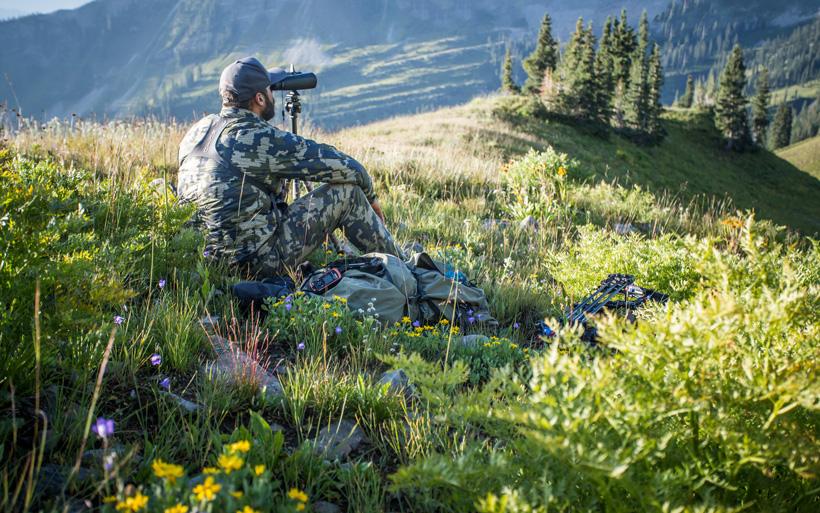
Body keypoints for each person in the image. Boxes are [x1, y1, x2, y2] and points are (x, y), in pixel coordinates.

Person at [177, 57, 403, 277]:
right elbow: (348, 166)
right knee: (348, 194)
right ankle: (405, 272)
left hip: (201, 261)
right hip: (254, 263)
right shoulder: (259, 138)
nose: (273, 95)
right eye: (269, 90)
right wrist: (372, 200)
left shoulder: (195, 132)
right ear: (260, 99)